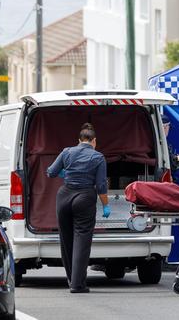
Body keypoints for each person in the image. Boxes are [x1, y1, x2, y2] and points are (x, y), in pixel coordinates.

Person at [46, 123, 111, 293]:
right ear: (94, 141)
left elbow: (51, 172)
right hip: (84, 197)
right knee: (82, 241)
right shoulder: (98, 157)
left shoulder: (67, 151)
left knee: (66, 240)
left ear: (79, 140)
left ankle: (71, 279)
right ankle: (77, 284)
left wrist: (64, 173)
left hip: (64, 196)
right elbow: (101, 185)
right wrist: (105, 205)